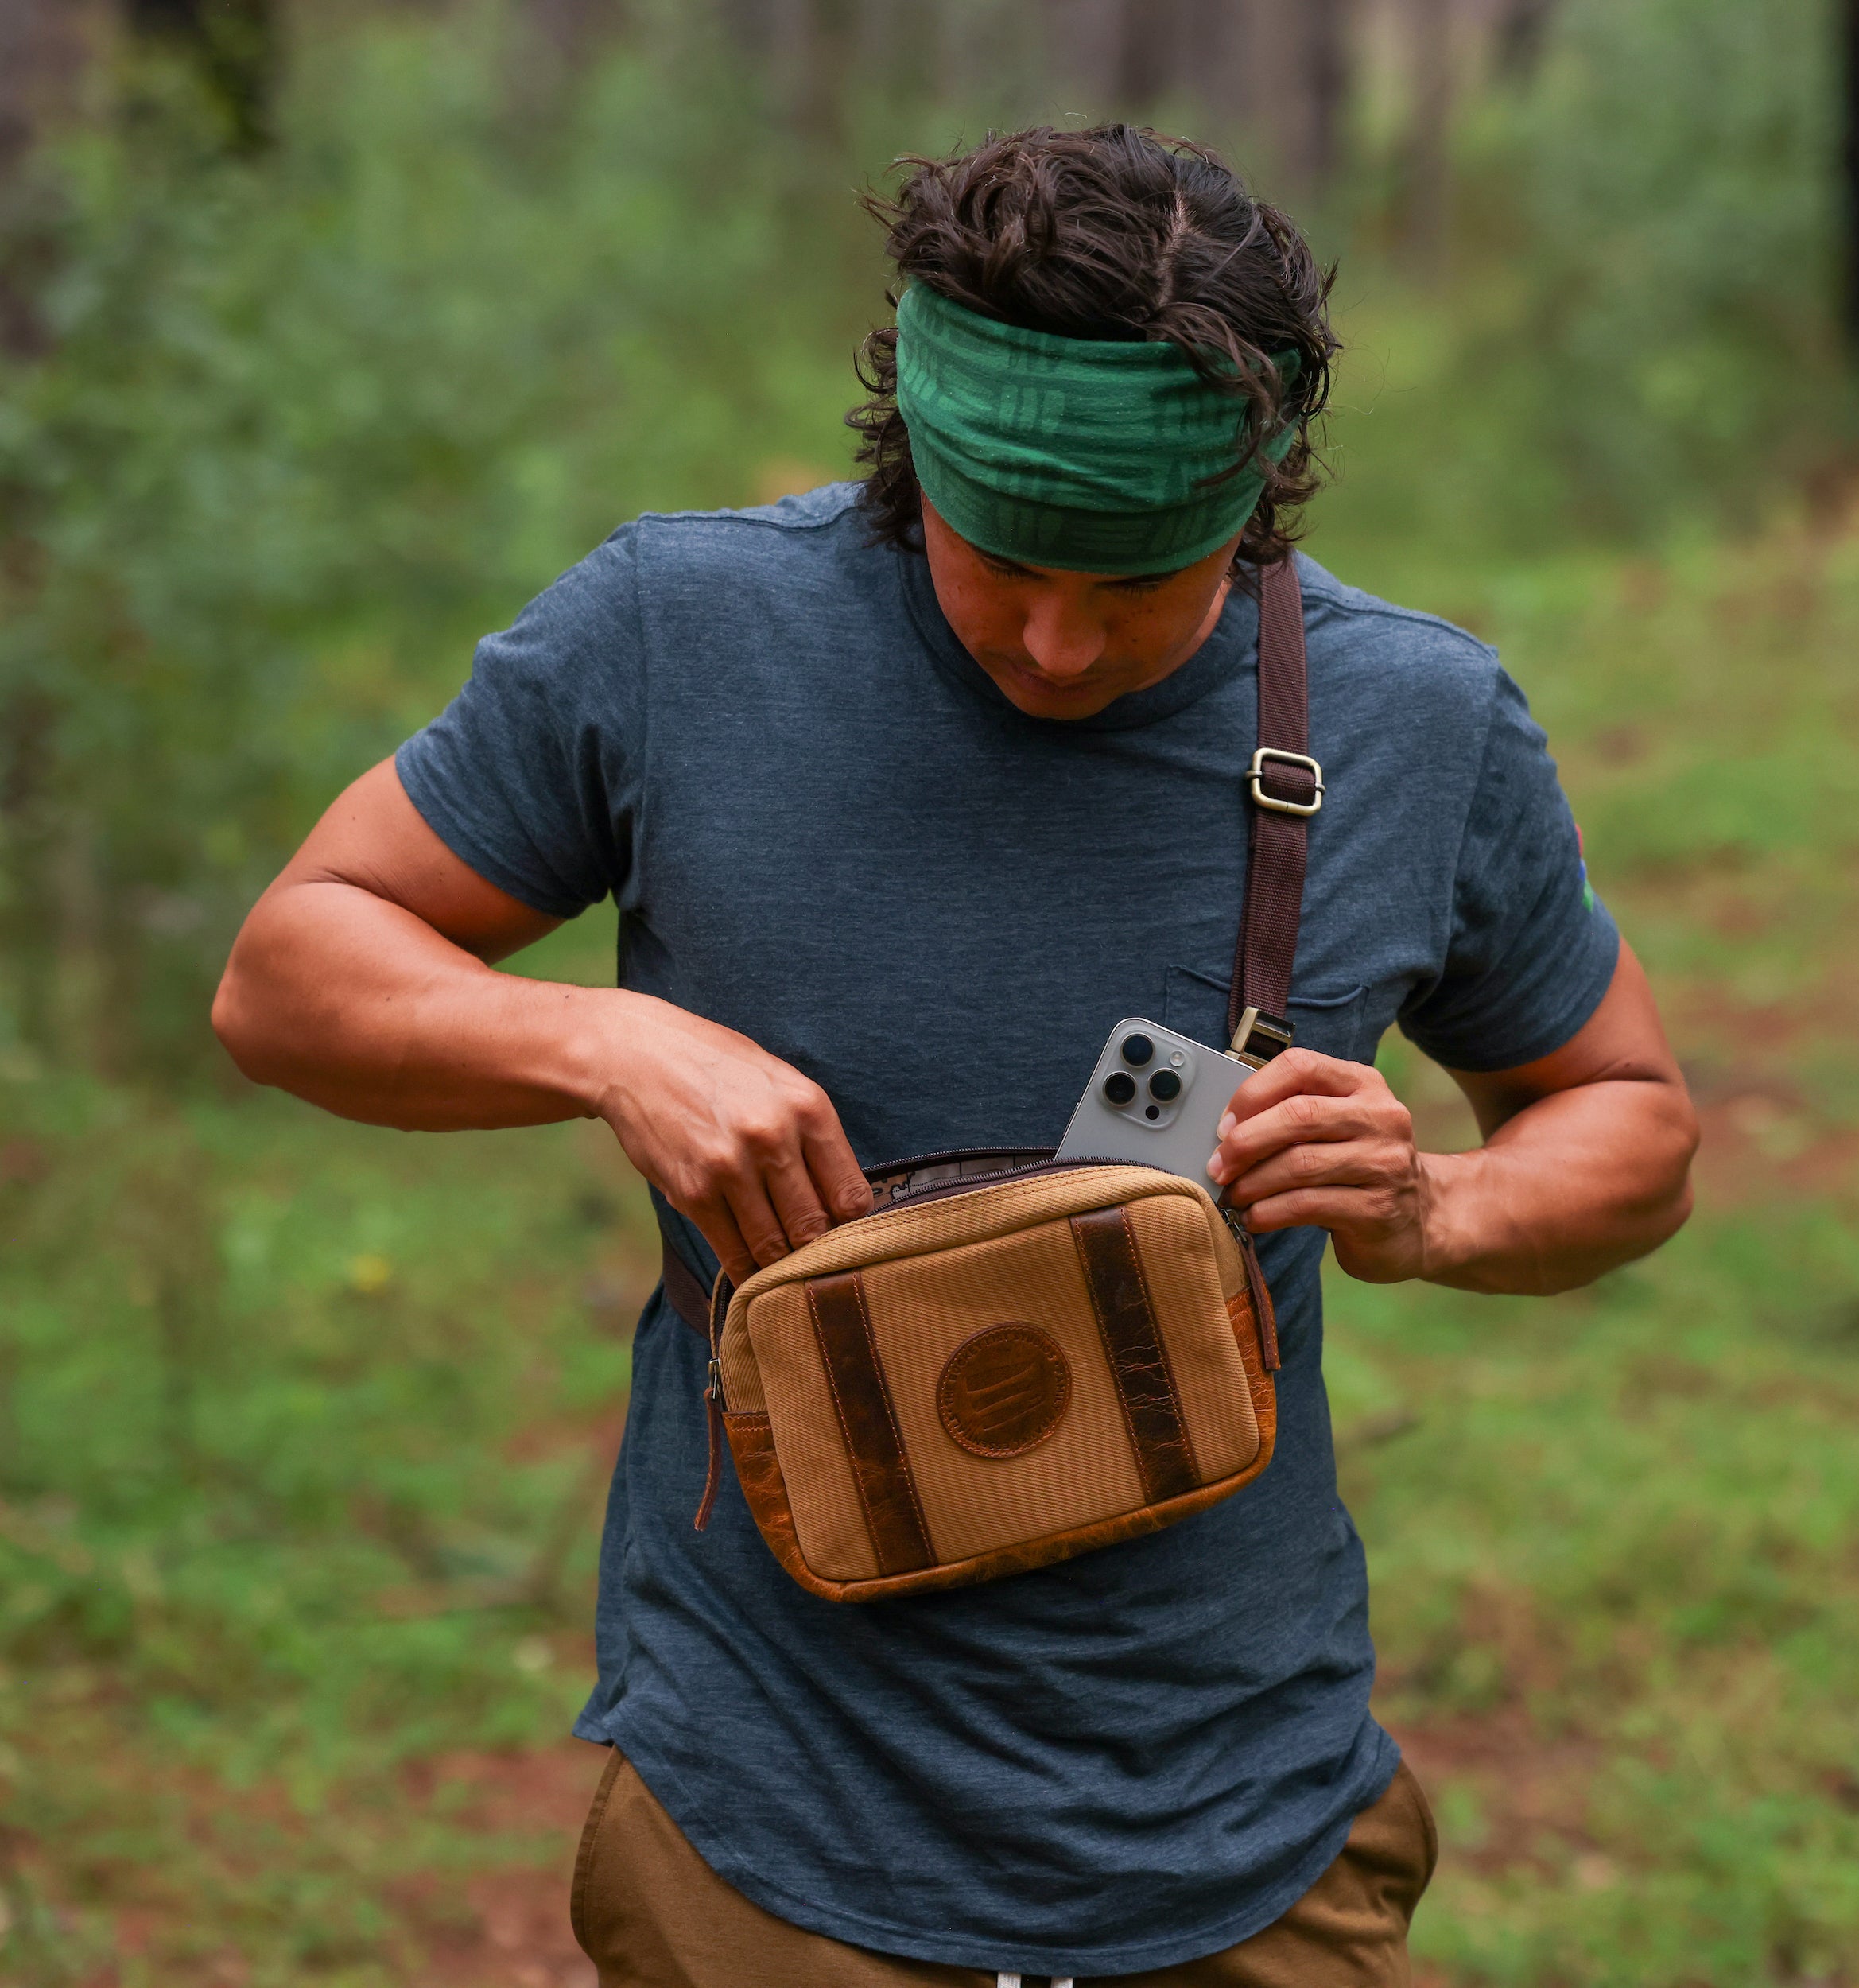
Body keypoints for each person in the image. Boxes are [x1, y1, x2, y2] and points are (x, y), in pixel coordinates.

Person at [212, 126, 1697, 1987]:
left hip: (1240, 1826)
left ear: (1254, 510)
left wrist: (1440, 1202)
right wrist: (595, 1033)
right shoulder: (683, 633)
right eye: (1002, 564)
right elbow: (287, 973)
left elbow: (1627, 1119)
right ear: (912, 462)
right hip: (762, 1828)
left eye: (1136, 580)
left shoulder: (1416, 720)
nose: (1057, 642)